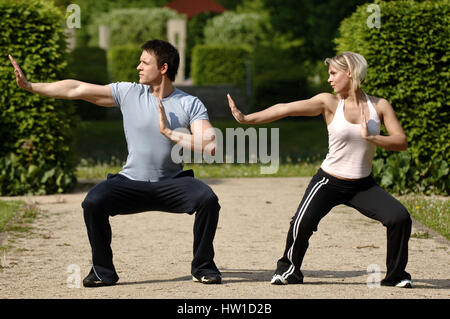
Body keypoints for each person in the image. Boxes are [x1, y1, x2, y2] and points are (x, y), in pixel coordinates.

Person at [9, 39, 222, 287]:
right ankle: (102, 271)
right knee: (93, 202)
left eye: (144, 62)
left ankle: (203, 267)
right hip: (131, 182)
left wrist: (169, 132)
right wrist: (31, 86)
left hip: (172, 184)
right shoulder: (129, 92)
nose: (138, 67)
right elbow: (76, 89)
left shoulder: (189, 103)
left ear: (163, 68)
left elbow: (209, 144)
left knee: (207, 200)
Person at [227, 52, 413, 288]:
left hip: (362, 185)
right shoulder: (330, 102)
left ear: (350, 73)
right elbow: (286, 108)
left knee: (399, 217)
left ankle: (396, 275)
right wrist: (247, 119)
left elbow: (401, 141)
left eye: (333, 73)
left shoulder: (379, 106)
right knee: (301, 223)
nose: (329, 79)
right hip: (329, 182)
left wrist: (374, 138)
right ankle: (289, 271)